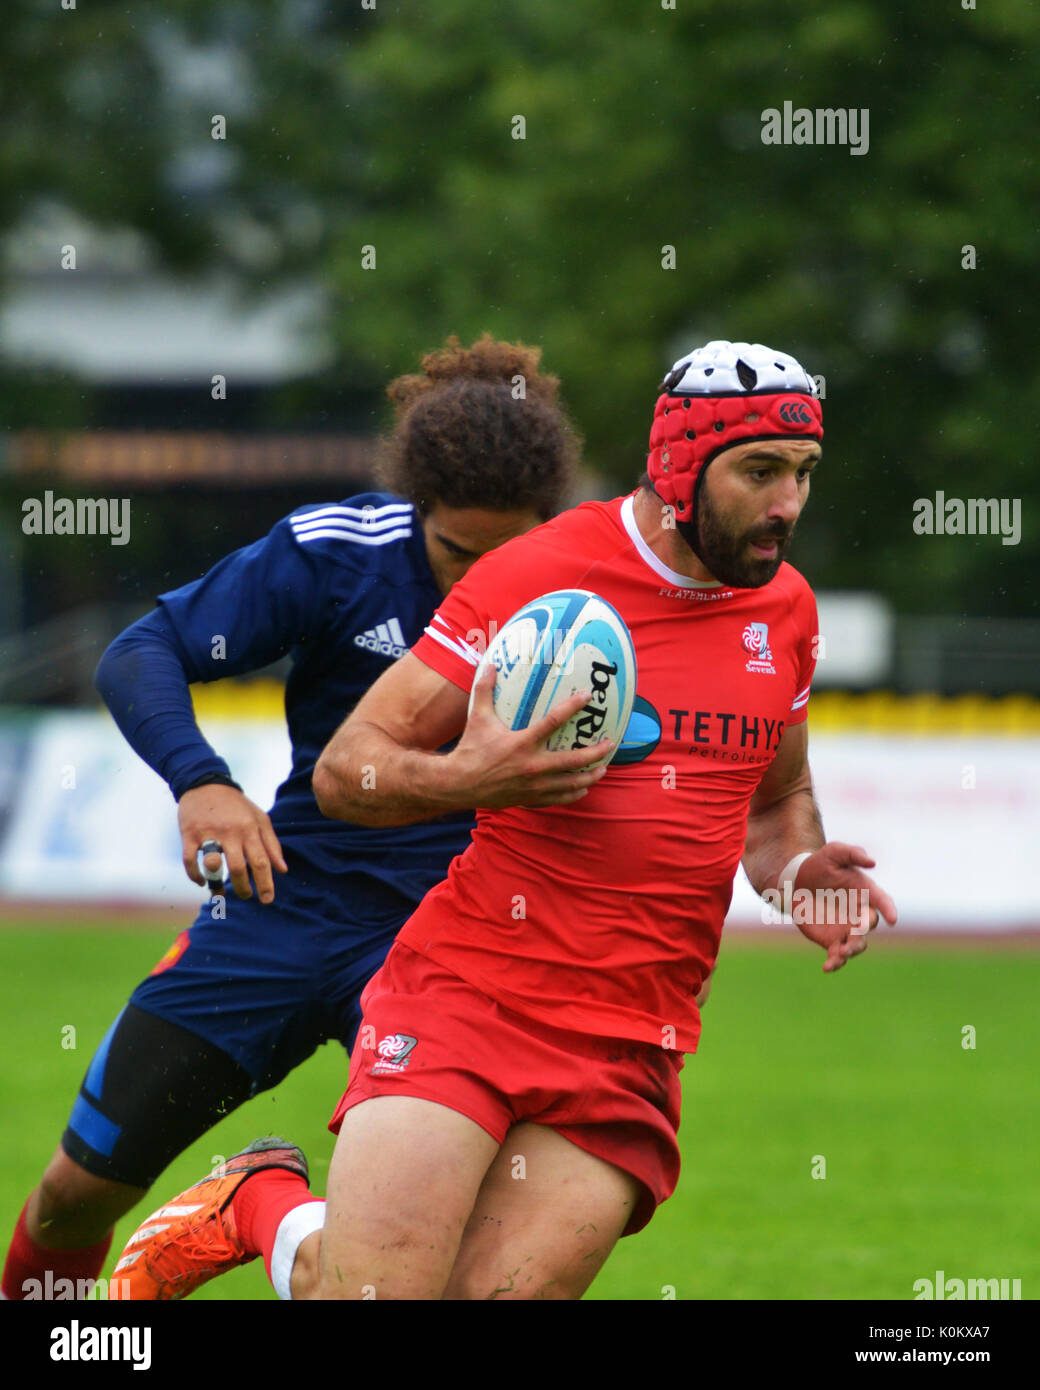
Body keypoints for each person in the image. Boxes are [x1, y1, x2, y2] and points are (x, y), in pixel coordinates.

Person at [109, 338, 897, 1302]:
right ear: (682, 466)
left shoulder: (786, 613)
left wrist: (798, 869)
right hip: (469, 992)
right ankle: (268, 1211)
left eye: (805, 474)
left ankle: (259, 1204)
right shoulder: (543, 573)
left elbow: (775, 805)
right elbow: (352, 770)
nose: (787, 505)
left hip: (631, 1037)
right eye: (760, 472)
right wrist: (472, 777)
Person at [1, 334, 582, 1302]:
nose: (478, 580)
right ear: (414, 510)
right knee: (73, 1195)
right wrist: (202, 780)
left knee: (402, 1277)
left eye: (505, 555)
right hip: (277, 910)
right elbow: (140, 652)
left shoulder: (586, 597)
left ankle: (254, 1205)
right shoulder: (335, 553)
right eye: (455, 553)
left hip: (443, 951)